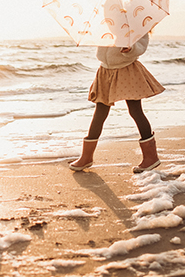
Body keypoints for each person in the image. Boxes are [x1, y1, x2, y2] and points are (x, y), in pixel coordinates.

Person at [69, 32, 165, 173]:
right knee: (100, 114)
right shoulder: (107, 24)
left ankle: (151, 157)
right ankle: (86, 157)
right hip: (105, 71)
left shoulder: (134, 23)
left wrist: (130, 49)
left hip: (127, 69)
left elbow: (141, 45)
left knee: (135, 111)